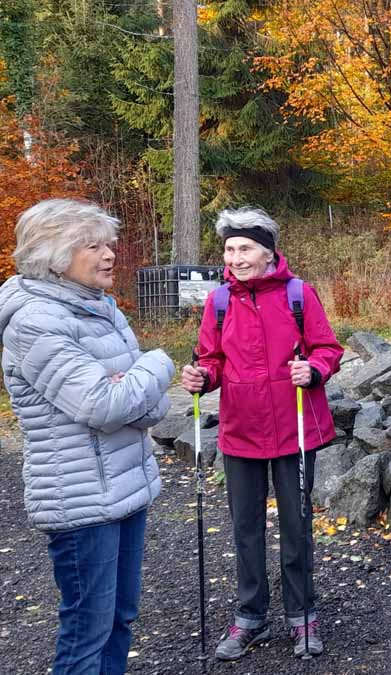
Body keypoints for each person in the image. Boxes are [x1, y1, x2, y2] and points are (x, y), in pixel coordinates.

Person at [0, 199, 175, 674]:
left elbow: (149, 407)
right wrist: (159, 364)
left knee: (120, 618)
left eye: (109, 244)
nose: (109, 254)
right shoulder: (36, 321)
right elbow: (103, 404)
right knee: (87, 630)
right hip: (81, 502)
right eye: (92, 246)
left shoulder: (101, 309)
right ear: (55, 256)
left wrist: (136, 388)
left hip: (124, 488)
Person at [181, 207, 344, 660]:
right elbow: (211, 359)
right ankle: (250, 617)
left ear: (268, 252)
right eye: (230, 249)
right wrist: (201, 377)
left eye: (245, 248)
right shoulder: (219, 302)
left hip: (294, 430)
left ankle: (302, 615)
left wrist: (313, 368)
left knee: (297, 527)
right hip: (241, 431)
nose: (235, 257)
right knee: (245, 529)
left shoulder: (299, 294)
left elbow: (329, 348)